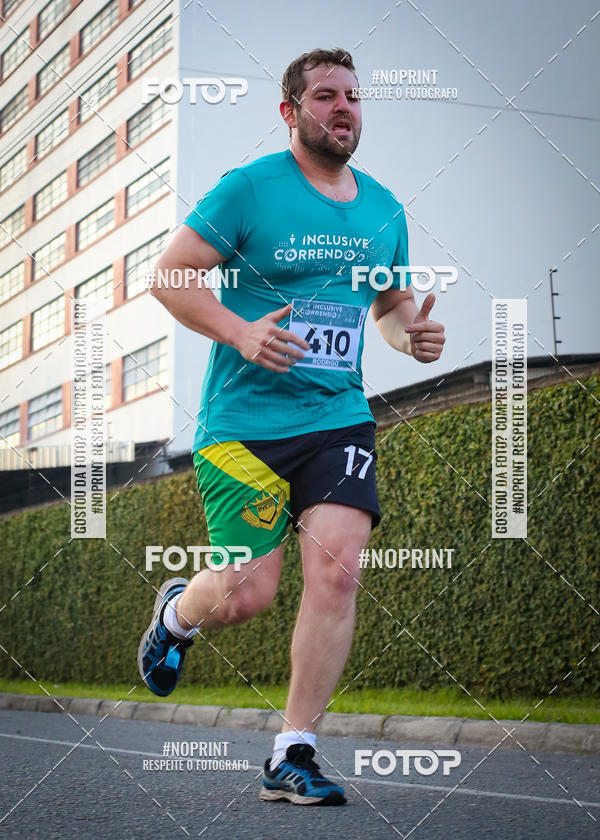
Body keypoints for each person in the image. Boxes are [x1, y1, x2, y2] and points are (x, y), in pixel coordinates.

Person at [138, 47, 446, 806]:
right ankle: (178, 615)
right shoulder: (249, 189)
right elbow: (169, 275)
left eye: (353, 95)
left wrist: (413, 337)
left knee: (339, 570)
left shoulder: (384, 209)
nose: (344, 107)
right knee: (246, 593)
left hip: (337, 415)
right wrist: (241, 333)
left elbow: (390, 308)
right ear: (291, 112)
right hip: (243, 423)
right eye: (325, 96)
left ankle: (293, 753)